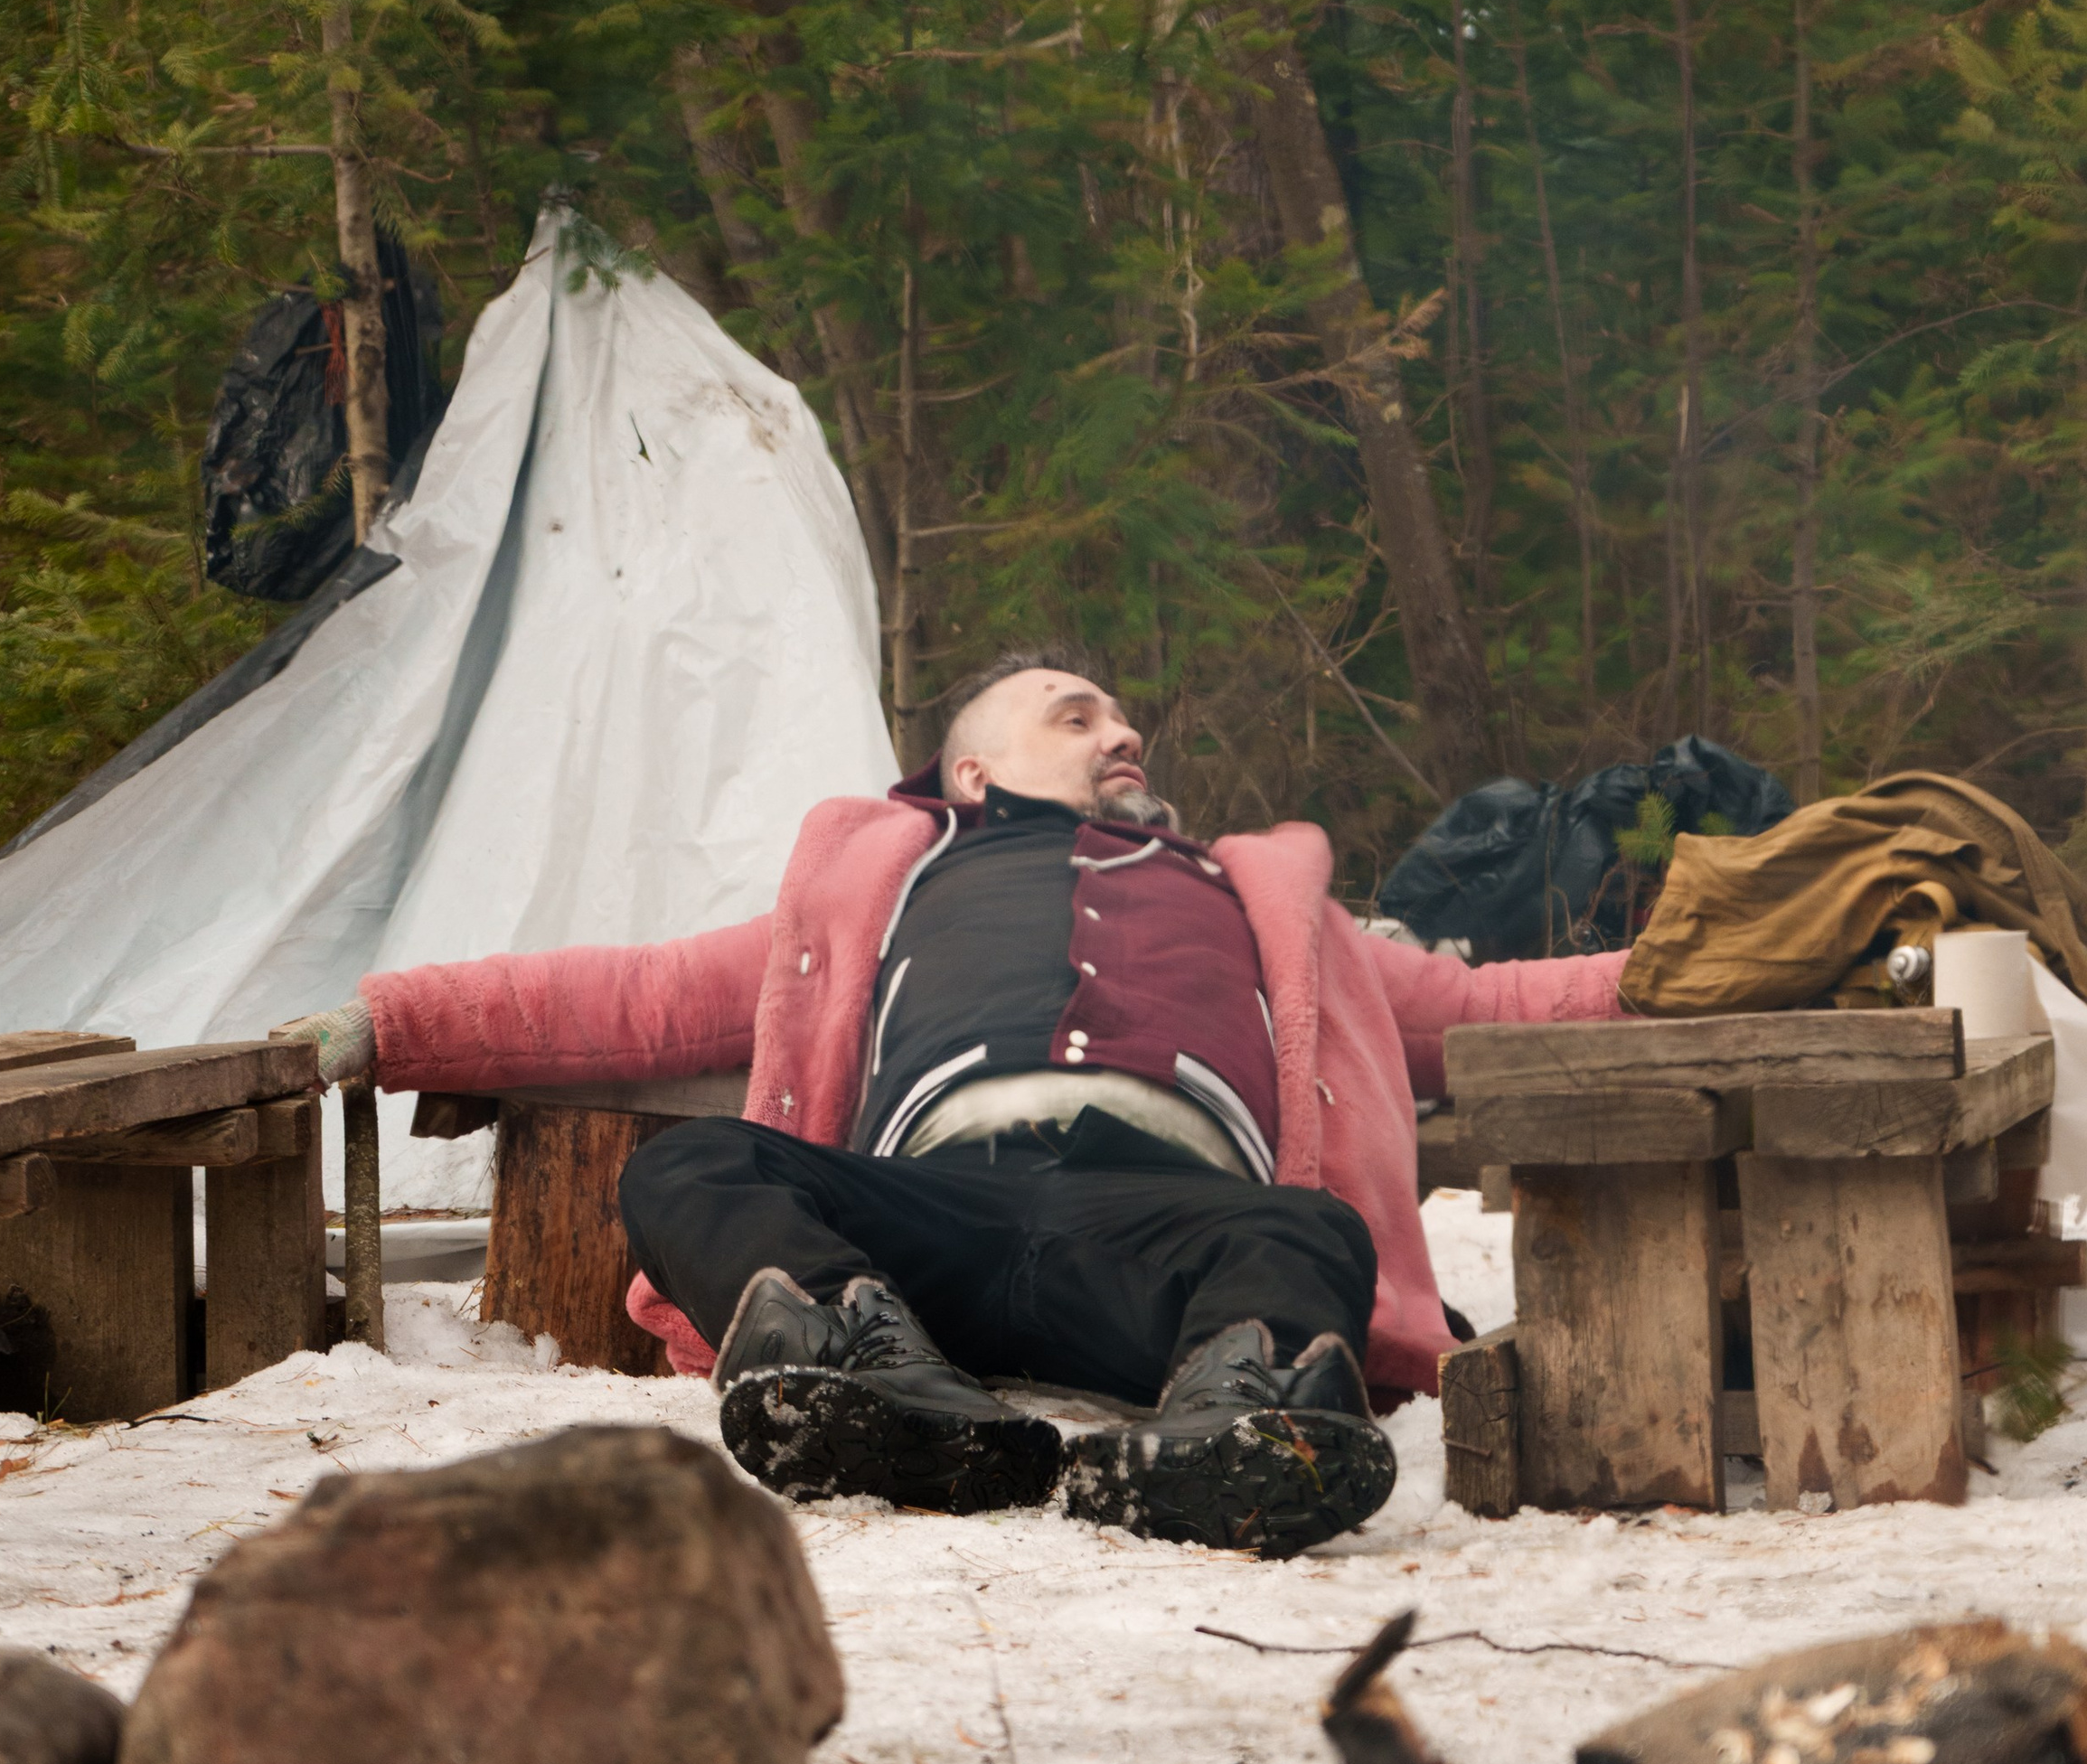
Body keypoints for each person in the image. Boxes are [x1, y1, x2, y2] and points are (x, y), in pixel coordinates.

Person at [281, 653, 1631, 1555]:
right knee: (691, 1171)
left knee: (1312, 1230)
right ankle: (862, 1372)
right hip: (926, 1224)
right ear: (973, 774)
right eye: (1076, 715)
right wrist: (388, 1021)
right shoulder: (887, 883)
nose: (1122, 733)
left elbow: (1503, 1007)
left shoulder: (1258, 899)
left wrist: (1697, 965)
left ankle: (1237, 1425)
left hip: (1167, 1233)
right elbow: (640, 994)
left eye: (1122, 720)